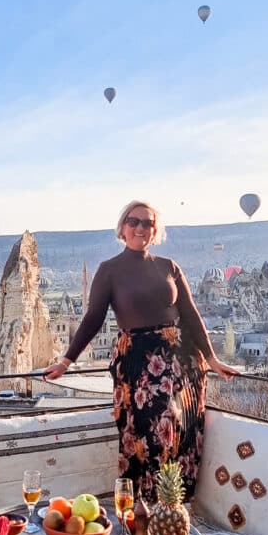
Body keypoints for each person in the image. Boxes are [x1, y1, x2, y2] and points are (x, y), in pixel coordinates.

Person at [43, 200, 239, 502]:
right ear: (122, 228)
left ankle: (174, 508)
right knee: (146, 436)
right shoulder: (110, 271)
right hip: (138, 363)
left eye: (147, 223)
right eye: (133, 221)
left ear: (155, 230)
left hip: (181, 361)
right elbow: (93, 318)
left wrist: (212, 358)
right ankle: (143, 508)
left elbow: (190, 314)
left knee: (181, 429)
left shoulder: (168, 266)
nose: (139, 228)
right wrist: (67, 361)